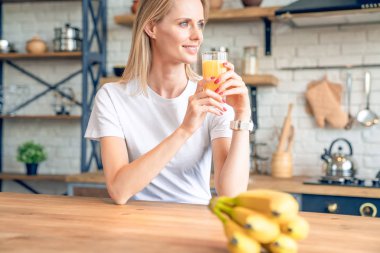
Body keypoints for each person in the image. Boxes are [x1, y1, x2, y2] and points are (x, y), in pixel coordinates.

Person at [85, 0, 253, 205]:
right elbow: (119, 191)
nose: (198, 36)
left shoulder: (212, 94)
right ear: (151, 27)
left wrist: (242, 115)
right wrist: (185, 130)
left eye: (200, 24)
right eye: (184, 23)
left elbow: (232, 194)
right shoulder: (112, 97)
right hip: (133, 223)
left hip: (194, 222)